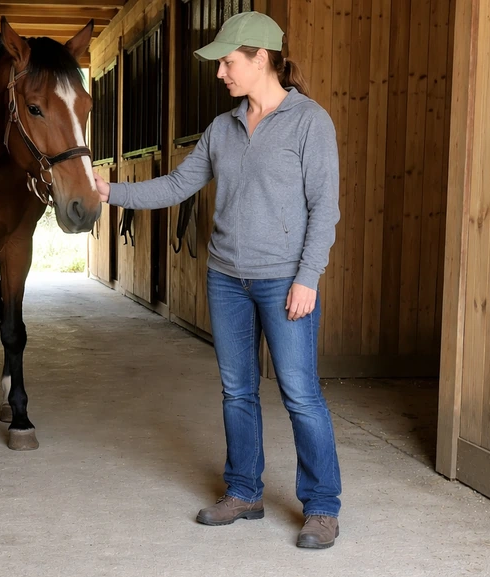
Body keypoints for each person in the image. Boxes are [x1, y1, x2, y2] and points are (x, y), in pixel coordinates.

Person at [94, 12, 343, 549]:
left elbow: (324, 209)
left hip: (284, 282)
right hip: (227, 278)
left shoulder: (309, 123)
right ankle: (244, 492)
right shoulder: (222, 128)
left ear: (261, 59)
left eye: (228, 62)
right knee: (237, 391)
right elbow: (178, 185)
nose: (220, 73)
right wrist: (109, 192)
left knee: (300, 394)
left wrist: (308, 278)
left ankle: (322, 507)